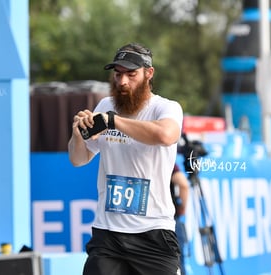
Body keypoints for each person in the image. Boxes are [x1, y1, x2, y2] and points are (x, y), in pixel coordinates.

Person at [68, 42, 184, 275]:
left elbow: (165, 135)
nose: (122, 82)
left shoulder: (166, 108)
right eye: (118, 74)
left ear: (148, 74)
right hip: (108, 234)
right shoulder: (105, 105)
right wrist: (78, 133)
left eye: (131, 74)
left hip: (153, 232)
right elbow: (78, 159)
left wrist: (114, 122)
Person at [170, 164, 190, 275]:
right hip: (169, 219)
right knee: (178, 265)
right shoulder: (164, 157)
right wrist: (182, 208)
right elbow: (183, 184)